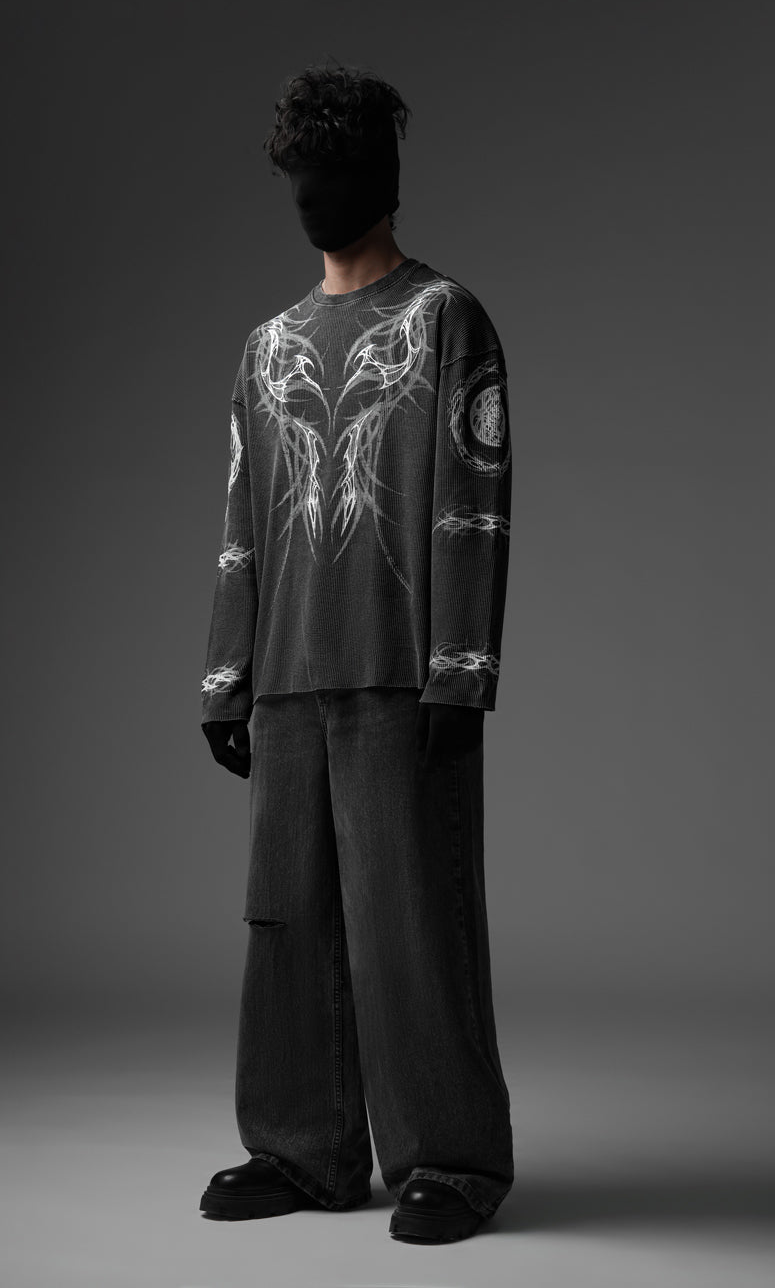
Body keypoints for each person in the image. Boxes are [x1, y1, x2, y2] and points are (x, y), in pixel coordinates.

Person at [197, 60, 514, 1244]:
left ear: (383, 177)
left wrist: (461, 669)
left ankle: (451, 1159)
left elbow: (474, 502)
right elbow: (242, 516)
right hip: (288, 675)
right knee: (286, 920)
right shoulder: (265, 347)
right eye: (302, 175)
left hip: (400, 669)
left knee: (413, 918)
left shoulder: (444, 321)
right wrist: (227, 674)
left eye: (335, 171)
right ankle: (302, 1147)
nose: (315, 196)